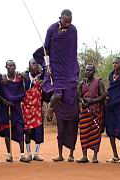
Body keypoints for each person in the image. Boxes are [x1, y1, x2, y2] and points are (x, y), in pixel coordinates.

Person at [33, 9, 79, 162]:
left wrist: (74, 69)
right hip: (55, 67)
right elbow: (46, 48)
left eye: (70, 21)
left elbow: (73, 51)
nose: (67, 24)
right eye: (65, 21)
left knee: (71, 123)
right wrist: (48, 67)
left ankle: (71, 154)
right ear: (60, 18)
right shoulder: (52, 29)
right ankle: (50, 109)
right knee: (57, 94)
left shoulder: (73, 30)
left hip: (69, 68)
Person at [0, 60, 29, 163]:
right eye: (9, 65)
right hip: (5, 108)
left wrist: (25, 77)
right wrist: (5, 101)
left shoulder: (19, 78)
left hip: (16, 108)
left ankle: (22, 155)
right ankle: (9, 154)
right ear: (6, 67)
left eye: (13, 65)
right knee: (7, 132)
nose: (12, 67)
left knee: (19, 129)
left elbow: (26, 87)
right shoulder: (1, 78)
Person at [77, 64, 106, 163]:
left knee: (96, 133)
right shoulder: (82, 83)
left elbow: (103, 96)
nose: (87, 72)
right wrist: (83, 100)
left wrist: (92, 101)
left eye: (90, 70)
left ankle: (95, 156)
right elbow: (79, 96)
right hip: (85, 111)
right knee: (84, 132)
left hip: (95, 111)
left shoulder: (99, 82)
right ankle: (84, 156)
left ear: (94, 71)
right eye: (86, 70)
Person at [22, 59, 44, 161]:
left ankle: (36, 154)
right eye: (33, 63)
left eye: (36, 63)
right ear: (29, 66)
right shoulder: (24, 77)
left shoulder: (41, 77)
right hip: (26, 108)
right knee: (28, 131)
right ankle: (29, 153)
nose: (35, 65)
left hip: (37, 108)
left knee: (38, 131)